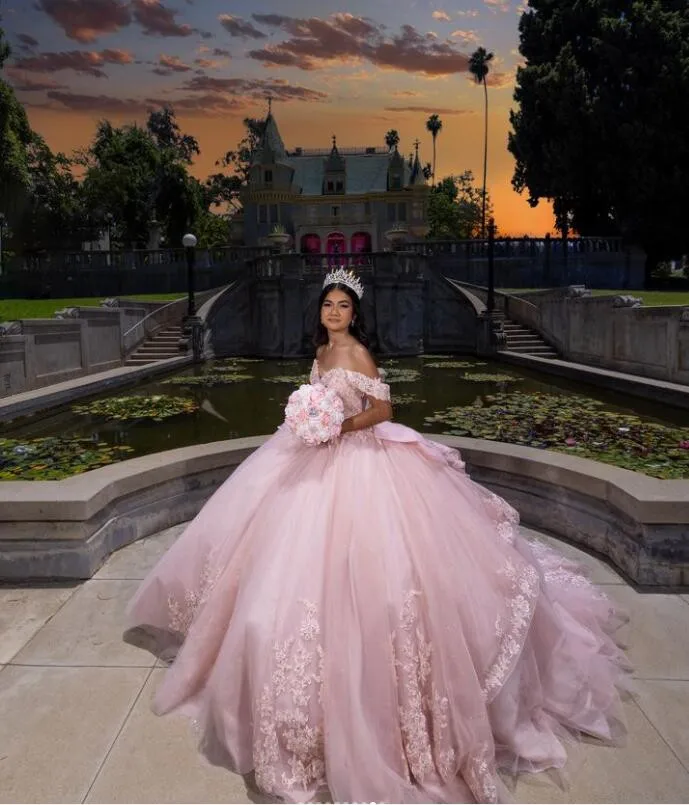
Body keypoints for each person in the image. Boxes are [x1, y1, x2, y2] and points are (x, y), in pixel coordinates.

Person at [125, 268, 629, 804]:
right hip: (308, 456)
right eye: (329, 305)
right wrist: (307, 421)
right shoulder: (318, 356)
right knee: (268, 557)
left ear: (355, 313)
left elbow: (384, 410)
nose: (335, 313)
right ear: (319, 311)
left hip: (358, 460)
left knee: (381, 572)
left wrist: (337, 428)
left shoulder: (360, 355)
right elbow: (314, 400)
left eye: (343, 306)